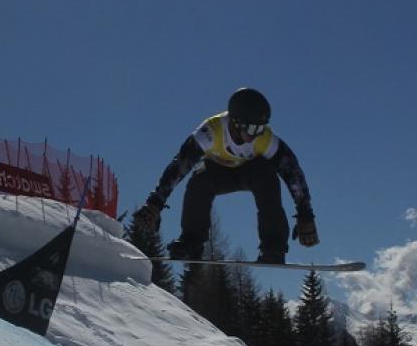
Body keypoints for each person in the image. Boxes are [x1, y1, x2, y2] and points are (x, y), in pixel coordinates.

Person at [132, 87, 318, 264]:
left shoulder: (265, 138)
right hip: (217, 173)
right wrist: (156, 201)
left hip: (250, 173)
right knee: (198, 178)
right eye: (253, 129)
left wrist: (305, 213)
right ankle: (191, 240)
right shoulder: (211, 131)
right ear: (236, 122)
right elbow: (180, 165)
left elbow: (292, 172)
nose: (257, 134)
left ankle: (273, 246)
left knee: (267, 174)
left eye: (261, 128)